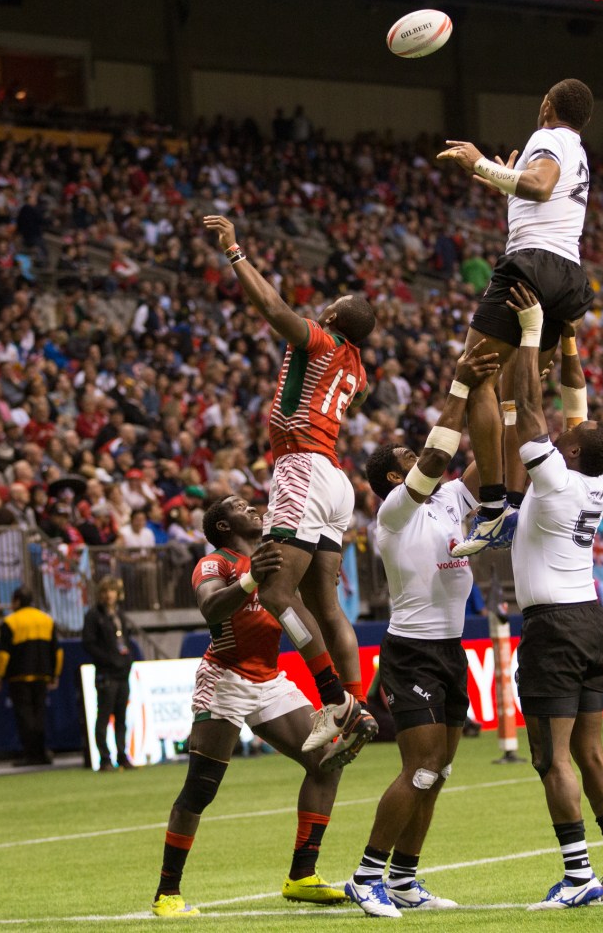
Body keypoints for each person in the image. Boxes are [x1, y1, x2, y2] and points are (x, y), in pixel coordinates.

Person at [203, 213, 378, 770]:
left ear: (331, 316)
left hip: (301, 466)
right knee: (327, 606)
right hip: (335, 479)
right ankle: (357, 703)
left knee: (276, 596)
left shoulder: (323, 340)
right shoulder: (358, 369)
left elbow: (276, 312)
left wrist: (237, 255)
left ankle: (333, 702)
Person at [345, 341, 498, 917]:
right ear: (394, 474)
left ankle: (405, 879)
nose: (422, 459)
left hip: (450, 647)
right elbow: (436, 460)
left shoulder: (449, 501)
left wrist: (498, 391)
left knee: (441, 771)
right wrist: (460, 386)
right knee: (421, 768)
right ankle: (366, 875)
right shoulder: (393, 512)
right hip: (412, 650)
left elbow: (486, 460)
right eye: (409, 457)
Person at [505, 283, 603, 909]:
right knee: (591, 746)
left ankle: (578, 875)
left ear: (574, 452)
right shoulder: (596, 479)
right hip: (591, 619)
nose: (560, 435)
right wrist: (570, 341)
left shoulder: (556, 481)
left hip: (555, 625)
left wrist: (533, 332)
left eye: (567, 437)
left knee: (550, 756)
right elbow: (573, 403)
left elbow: (532, 408)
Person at [151, 494, 347, 917]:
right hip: (225, 678)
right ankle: (167, 893)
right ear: (223, 526)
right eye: (238, 506)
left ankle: (302, 876)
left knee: (328, 759)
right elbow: (209, 607)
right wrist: (247, 581)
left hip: (270, 679)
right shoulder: (215, 563)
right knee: (201, 787)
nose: (252, 507)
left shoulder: (275, 557)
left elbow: (302, 607)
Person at [437, 79, 596, 557]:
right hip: (568, 276)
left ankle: (490, 508)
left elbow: (539, 187)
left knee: (476, 376)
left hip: (530, 265)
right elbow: (534, 195)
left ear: (546, 104)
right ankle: (513, 500)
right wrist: (499, 180)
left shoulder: (547, 137)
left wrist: (479, 162)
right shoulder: (578, 149)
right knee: (518, 392)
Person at [0, 586, 62, 767]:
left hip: (19, 676)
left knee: (24, 715)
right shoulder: (46, 620)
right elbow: (58, 652)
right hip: (42, 675)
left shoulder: (11, 622)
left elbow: (4, 654)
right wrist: (55, 674)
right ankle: (41, 752)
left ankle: (30, 754)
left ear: (16, 601)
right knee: (40, 714)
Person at [82, 576, 134, 772]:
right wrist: (108, 659)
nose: (108, 595)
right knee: (104, 715)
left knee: (121, 717)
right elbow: (88, 643)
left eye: (111, 591)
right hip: (106, 672)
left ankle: (123, 755)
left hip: (122, 672)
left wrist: (127, 659)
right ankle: (104, 758)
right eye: (105, 591)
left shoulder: (120, 614)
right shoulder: (94, 616)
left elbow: (127, 640)